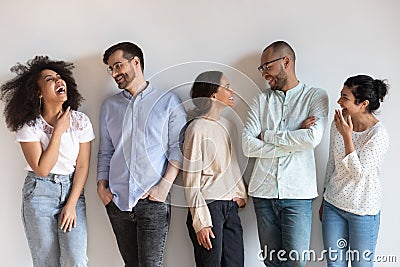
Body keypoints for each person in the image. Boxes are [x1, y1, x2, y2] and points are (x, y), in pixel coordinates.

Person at [97, 41, 187, 267]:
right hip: (118, 202)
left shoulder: (168, 102)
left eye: (118, 66)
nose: (114, 73)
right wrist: (102, 187)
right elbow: (106, 151)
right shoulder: (109, 106)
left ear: (135, 62)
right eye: (111, 69)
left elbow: (178, 148)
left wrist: (164, 187)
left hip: (153, 199)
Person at [0, 56, 94, 267]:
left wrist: (71, 205)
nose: (58, 81)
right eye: (50, 79)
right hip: (39, 193)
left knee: (76, 260)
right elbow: (42, 169)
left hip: (72, 192)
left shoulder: (80, 121)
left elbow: (82, 166)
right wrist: (58, 130)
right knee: (46, 263)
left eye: (60, 77)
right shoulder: (29, 127)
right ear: (39, 93)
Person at [242, 40, 329, 267]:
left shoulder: (315, 97)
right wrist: (295, 135)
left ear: (286, 62)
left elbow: (312, 138)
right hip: (263, 192)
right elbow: (247, 146)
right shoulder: (260, 100)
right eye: (261, 69)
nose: (263, 74)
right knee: (272, 263)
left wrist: (268, 135)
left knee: (296, 263)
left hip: (298, 195)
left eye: (267, 67)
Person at [320, 75, 389, 267]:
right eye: (341, 96)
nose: (339, 101)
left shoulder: (378, 135)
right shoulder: (339, 123)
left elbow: (358, 173)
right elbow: (331, 163)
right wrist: (324, 199)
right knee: (334, 265)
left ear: (363, 104)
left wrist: (347, 136)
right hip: (333, 205)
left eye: (345, 98)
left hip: (363, 210)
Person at [183, 71, 247, 267]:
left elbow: (232, 165)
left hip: (230, 206)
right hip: (208, 207)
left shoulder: (228, 125)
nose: (232, 91)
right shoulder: (197, 128)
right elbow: (190, 180)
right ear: (212, 94)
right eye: (226, 87)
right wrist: (201, 221)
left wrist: (240, 194)